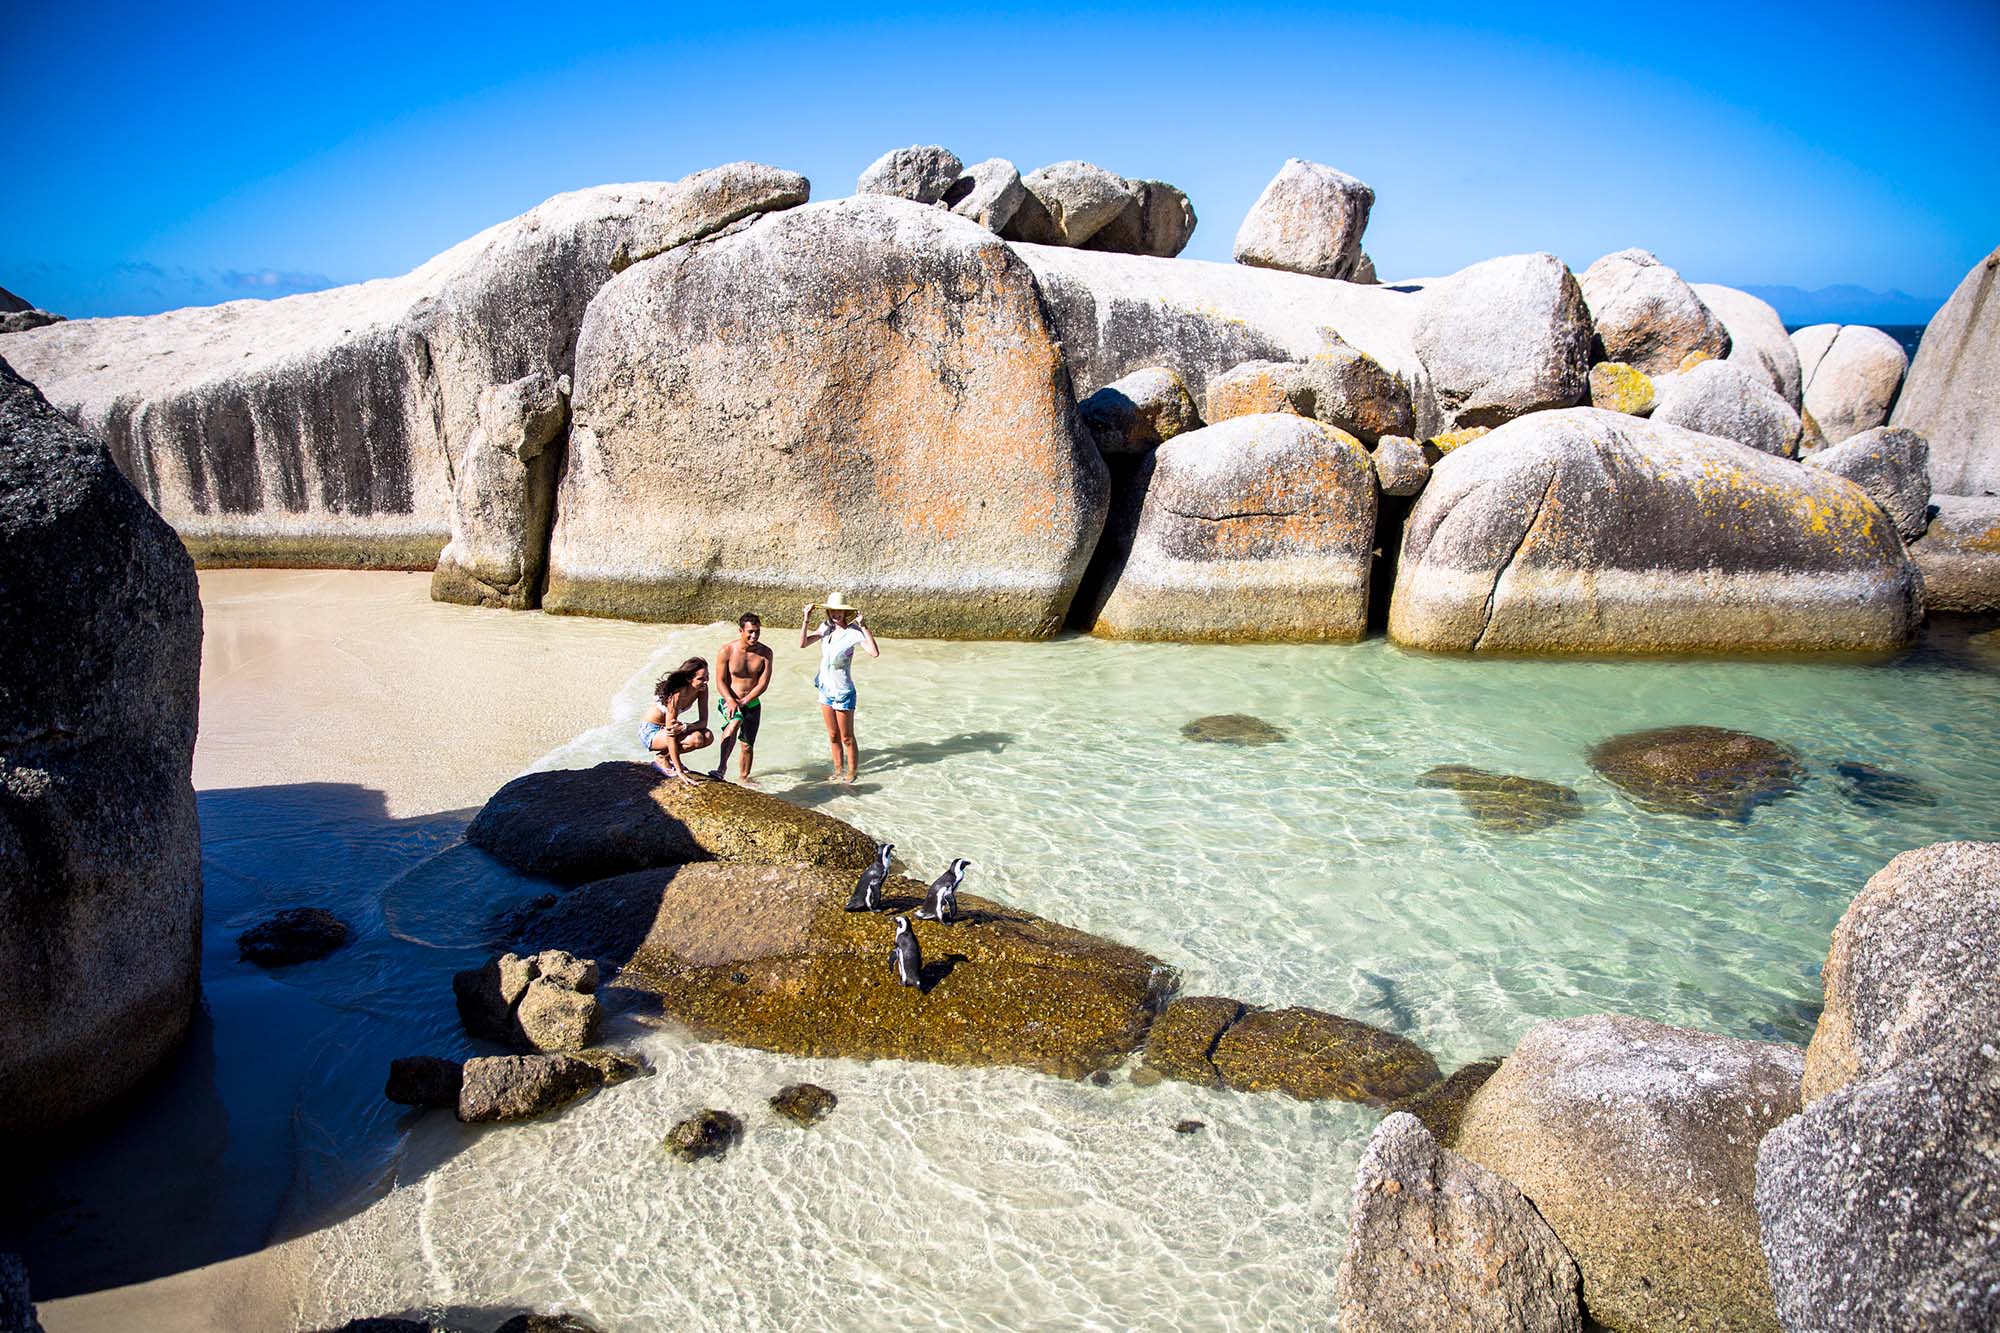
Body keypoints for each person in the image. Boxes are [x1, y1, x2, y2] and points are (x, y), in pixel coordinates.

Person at [801, 592, 879, 784]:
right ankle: (838, 769)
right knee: (833, 735)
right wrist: (806, 619)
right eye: (832, 610)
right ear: (828, 612)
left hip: (843, 691)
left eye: (839, 611)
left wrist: (864, 625)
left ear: (845, 613)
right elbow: (803, 643)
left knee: (846, 737)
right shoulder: (825, 628)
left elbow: (874, 652)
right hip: (825, 688)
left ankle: (852, 771)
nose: (836, 614)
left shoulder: (854, 632)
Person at [711, 613, 773, 783]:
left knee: (747, 745)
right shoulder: (727, 651)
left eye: (757, 631)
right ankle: (721, 768)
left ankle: (744, 779)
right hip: (729, 699)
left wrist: (745, 700)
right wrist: (731, 700)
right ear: (740, 631)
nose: (754, 636)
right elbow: (720, 681)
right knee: (734, 722)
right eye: (750, 632)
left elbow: (763, 683)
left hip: (752, 702)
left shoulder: (765, 653)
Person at [638, 656, 713, 786]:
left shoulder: (702, 689)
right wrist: (680, 771)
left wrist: (684, 727)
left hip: (666, 730)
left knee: (707, 736)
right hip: (650, 732)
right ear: (689, 679)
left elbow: (703, 722)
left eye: (707, 677)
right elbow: (670, 734)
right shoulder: (676, 694)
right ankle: (662, 758)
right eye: (701, 678)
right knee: (696, 738)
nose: (706, 681)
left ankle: (665, 756)